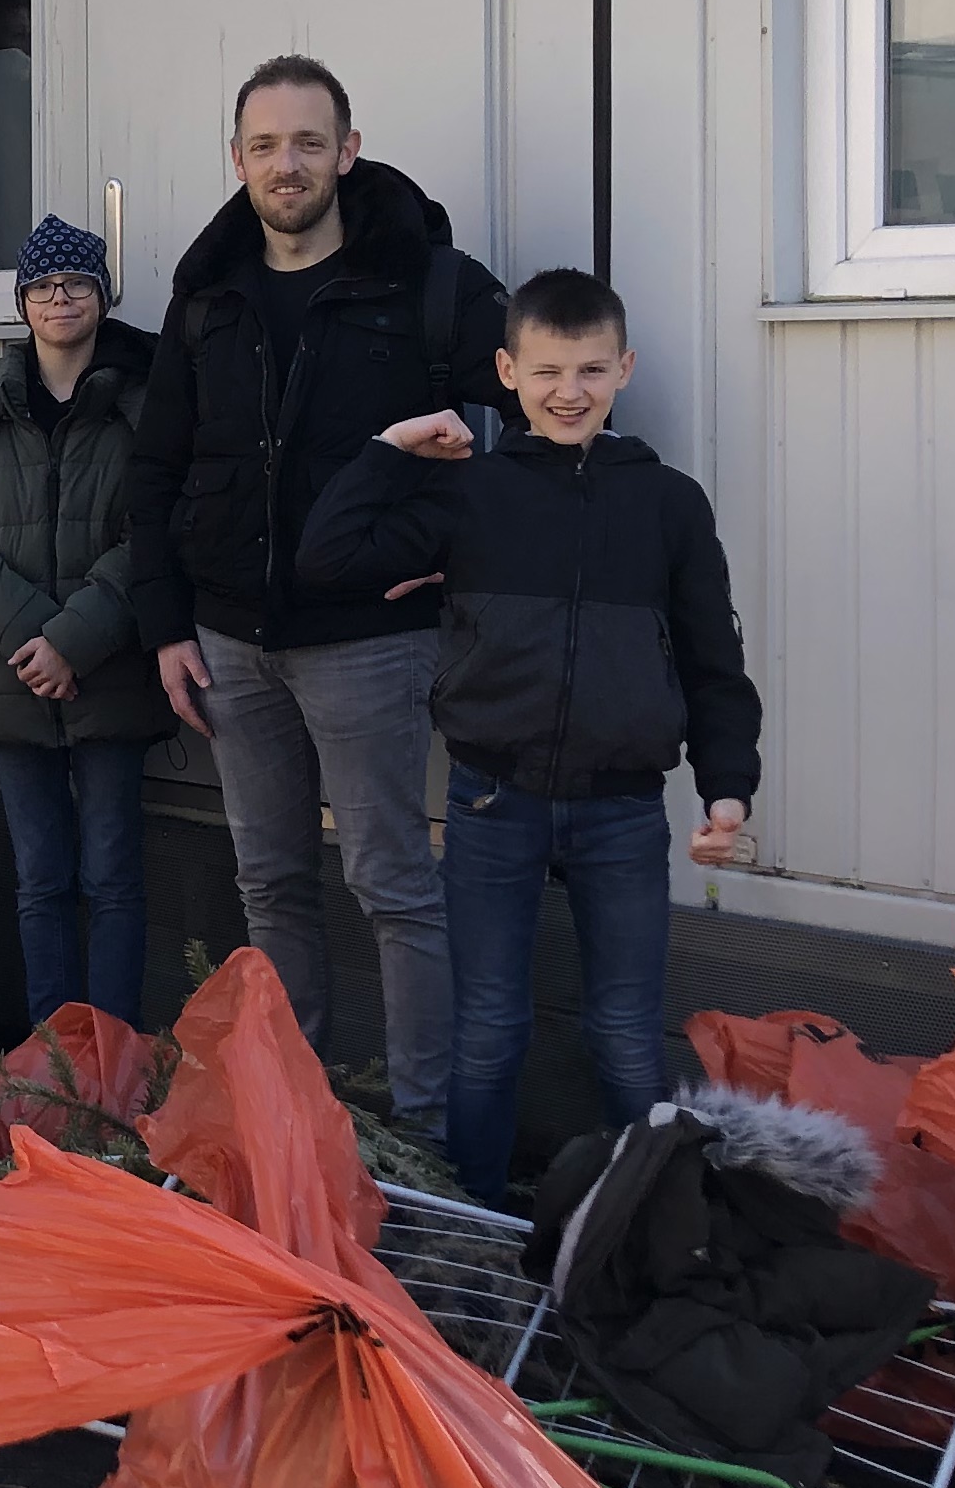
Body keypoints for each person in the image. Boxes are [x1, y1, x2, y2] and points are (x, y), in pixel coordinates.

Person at [297, 269, 759, 1205]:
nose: (569, 391)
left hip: (625, 809)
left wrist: (727, 789)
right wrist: (391, 448)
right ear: (508, 370)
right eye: (548, 370)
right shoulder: (473, 495)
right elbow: (327, 558)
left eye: (592, 369)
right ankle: (475, 1219)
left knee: (627, 1035)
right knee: (488, 1029)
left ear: (623, 369)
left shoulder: (669, 504)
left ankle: (651, 1224)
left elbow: (716, 664)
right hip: (491, 803)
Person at [124, 54, 512, 1141]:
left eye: (307, 142)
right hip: (228, 642)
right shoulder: (208, 294)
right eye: (264, 145)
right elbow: (155, 467)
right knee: (272, 885)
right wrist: (165, 626)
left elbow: (541, 416)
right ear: (236, 160)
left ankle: (424, 1144)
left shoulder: (429, 283)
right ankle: (296, 1129)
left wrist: (462, 554)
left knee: (394, 887)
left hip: (370, 643)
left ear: (348, 150)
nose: (284, 164)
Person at [0, 217, 170, 1030]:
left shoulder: (147, 401)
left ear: (103, 295)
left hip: (111, 675)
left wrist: (75, 639)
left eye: (77, 284)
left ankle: (118, 1062)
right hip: (8, 677)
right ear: (22, 303)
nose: (59, 298)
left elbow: (160, 531)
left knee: (115, 877)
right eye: (43, 286)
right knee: (39, 881)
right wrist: (37, 639)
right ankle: (51, 1064)